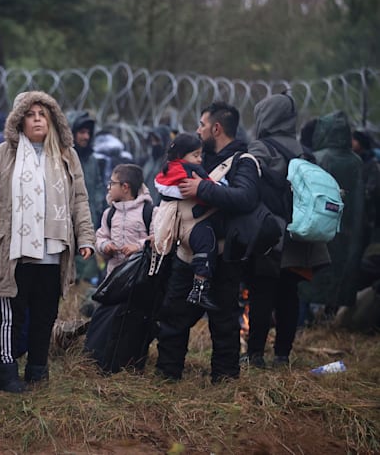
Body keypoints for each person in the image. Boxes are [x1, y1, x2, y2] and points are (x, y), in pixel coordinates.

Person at [0, 91, 96, 393]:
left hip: (53, 251)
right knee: (12, 314)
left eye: (43, 113)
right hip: (13, 251)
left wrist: (86, 236)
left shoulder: (66, 154)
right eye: (31, 114)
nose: (38, 119)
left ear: (52, 118)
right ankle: (6, 370)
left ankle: (38, 370)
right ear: (19, 120)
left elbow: (79, 199)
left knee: (45, 314)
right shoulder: (3, 154)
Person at [155, 101, 259, 383]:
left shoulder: (243, 161)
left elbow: (245, 198)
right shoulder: (196, 158)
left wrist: (202, 188)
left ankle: (224, 381)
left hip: (223, 257)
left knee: (223, 321)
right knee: (174, 316)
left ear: (216, 128)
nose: (197, 130)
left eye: (201, 125)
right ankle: (167, 375)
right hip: (187, 254)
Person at [244, 93, 330, 368]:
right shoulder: (306, 152)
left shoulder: (260, 149)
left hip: (269, 234)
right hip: (299, 235)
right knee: (288, 295)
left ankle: (255, 355)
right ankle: (283, 355)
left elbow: (252, 188)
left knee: (261, 294)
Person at [298, 111, 365, 317]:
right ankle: (329, 316)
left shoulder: (319, 158)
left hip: (321, 229)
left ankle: (308, 321)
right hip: (349, 230)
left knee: (314, 276)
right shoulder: (356, 162)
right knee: (339, 274)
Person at [154, 133, 221, 310]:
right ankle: (199, 290)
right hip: (194, 224)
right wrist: (214, 193)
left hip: (175, 226)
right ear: (181, 155)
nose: (199, 159)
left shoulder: (168, 169)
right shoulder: (190, 171)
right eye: (195, 155)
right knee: (208, 247)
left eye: (201, 155)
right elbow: (207, 190)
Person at [68, 111, 105, 286]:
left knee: (87, 275)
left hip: (89, 222)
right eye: (81, 132)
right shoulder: (66, 158)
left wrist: (98, 211)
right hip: (67, 221)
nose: (85, 136)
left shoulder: (92, 161)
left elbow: (98, 187)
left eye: (88, 133)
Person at [96, 163, 151, 275]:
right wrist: (105, 246)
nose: (108, 187)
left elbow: (159, 240)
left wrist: (137, 247)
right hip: (114, 277)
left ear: (125, 187)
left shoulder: (149, 212)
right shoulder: (109, 213)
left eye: (112, 183)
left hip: (140, 276)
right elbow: (101, 237)